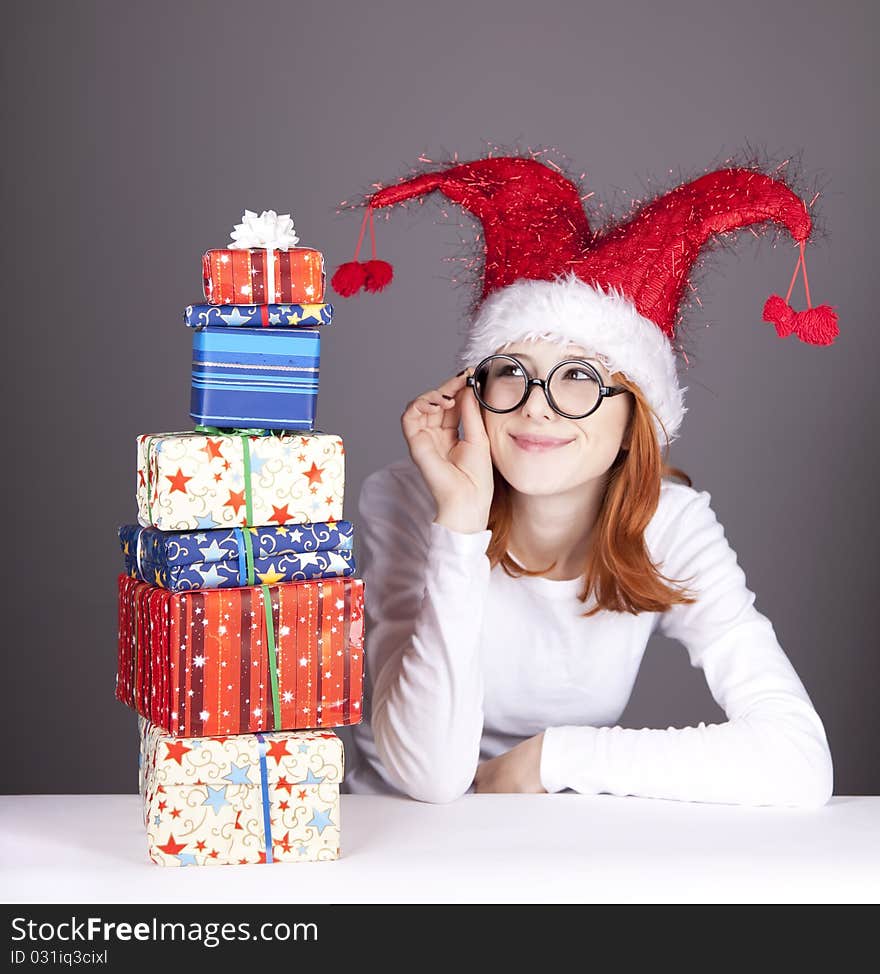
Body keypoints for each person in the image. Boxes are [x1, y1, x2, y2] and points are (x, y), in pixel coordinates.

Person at [332, 154, 838, 806]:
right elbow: (425, 777)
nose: (537, 405)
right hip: (394, 851)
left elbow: (796, 760)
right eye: (511, 370)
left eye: (580, 377)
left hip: (554, 848)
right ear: (473, 392)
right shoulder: (407, 500)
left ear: (636, 417)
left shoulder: (669, 522)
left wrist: (552, 758)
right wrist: (460, 520)